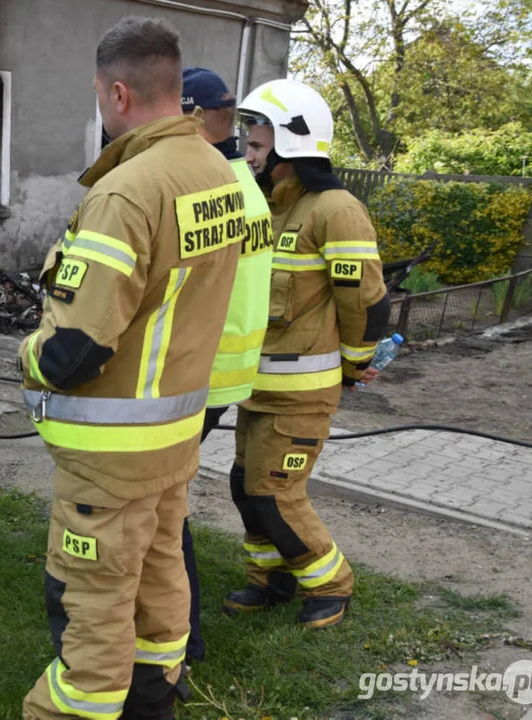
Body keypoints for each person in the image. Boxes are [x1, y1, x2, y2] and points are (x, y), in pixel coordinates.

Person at [20, 19, 245, 720]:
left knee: (92, 598)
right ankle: (153, 699)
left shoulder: (124, 194)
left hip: (109, 456)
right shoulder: (216, 172)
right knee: (157, 576)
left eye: (98, 97)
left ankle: (75, 709)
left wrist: (24, 356)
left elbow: (73, 350)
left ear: (116, 92)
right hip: (174, 437)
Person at [223, 78, 390, 629]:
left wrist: (357, 364)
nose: (246, 155)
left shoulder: (336, 210)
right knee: (244, 487)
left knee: (274, 494)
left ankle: (331, 585)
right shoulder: (267, 208)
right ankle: (269, 578)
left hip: (301, 394)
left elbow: (364, 301)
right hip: (257, 388)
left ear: (292, 144)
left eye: (256, 146)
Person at [178, 67, 273, 664]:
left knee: (163, 506)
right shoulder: (244, 182)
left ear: (194, 116)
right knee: (170, 497)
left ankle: (181, 636)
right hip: (232, 369)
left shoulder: (207, 186)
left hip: (199, 371)